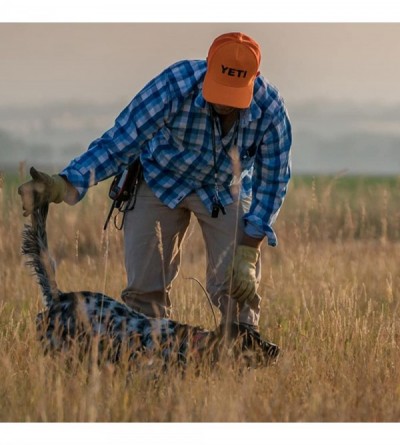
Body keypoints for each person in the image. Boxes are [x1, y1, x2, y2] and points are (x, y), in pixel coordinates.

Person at [18, 32, 292, 334]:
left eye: (233, 94)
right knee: (144, 292)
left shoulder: (271, 110)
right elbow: (121, 141)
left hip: (224, 190)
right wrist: (65, 183)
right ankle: (146, 363)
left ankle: (239, 359)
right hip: (160, 180)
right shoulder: (175, 84)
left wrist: (248, 251)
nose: (225, 103)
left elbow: (273, 182)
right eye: (219, 90)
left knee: (238, 288)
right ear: (208, 69)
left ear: (253, 81)